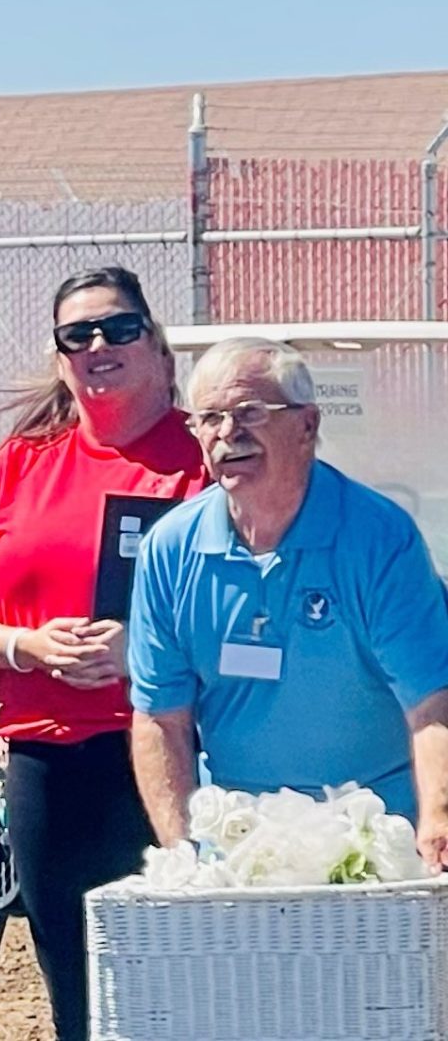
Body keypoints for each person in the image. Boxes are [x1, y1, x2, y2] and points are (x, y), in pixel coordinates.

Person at [0, 266, 206, 1041]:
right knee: (79, 996)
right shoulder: (19, 464)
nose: (98, 345)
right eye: (76, 335)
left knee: (180, 982)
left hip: (171, 753)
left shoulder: (201, 459)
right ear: (61, 359)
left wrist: (142, 647)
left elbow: (253, 602)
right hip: (47, 767)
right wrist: (26, 646)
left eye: (119, 328)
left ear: (155, 345)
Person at [129, 336, 448, 863]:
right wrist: (181, 853)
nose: (228, 433)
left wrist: (437, 820)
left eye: (250, 412)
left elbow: (432, 701)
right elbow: (161, 717)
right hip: (241, 842)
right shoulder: (170, 549)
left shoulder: (379, 539)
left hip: (377, 832)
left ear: (308, 426)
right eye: (209, 418)